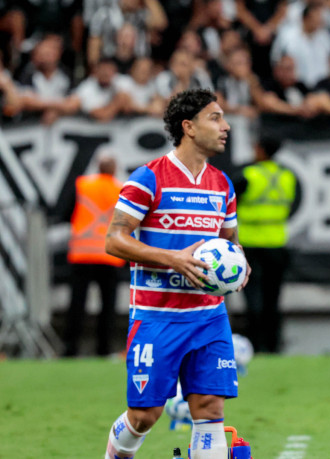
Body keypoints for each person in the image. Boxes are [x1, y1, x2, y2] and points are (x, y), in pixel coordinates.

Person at [102, 89, 248, 459]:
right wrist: (173, 258)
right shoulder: (148, 178)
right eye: (215, 118)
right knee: (145, 415)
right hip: (157, 317)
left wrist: (241, 265)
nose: (225, 126)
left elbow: (231, 243)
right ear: (189, 127)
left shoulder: (222, 185)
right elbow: (114, 240)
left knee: (210, 411)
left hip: (209, 316)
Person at [234, 136, 296, 353]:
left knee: (253, 300)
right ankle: (273, 346)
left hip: (251, 243)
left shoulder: (247, 175)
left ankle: (255, 346)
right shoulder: (287, 176)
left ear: (259, 149)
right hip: (278, 243)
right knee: (273, 299)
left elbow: (230, 203)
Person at [62, 155, 126, 357]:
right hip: (110, 255)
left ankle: (70, 349)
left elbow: (66, 214)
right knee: (108, 306)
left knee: (77, 304)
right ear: (114, 170)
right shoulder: (121, 190)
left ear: (98, 168)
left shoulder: (82, 185)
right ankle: (104, 350)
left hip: (82, 254)